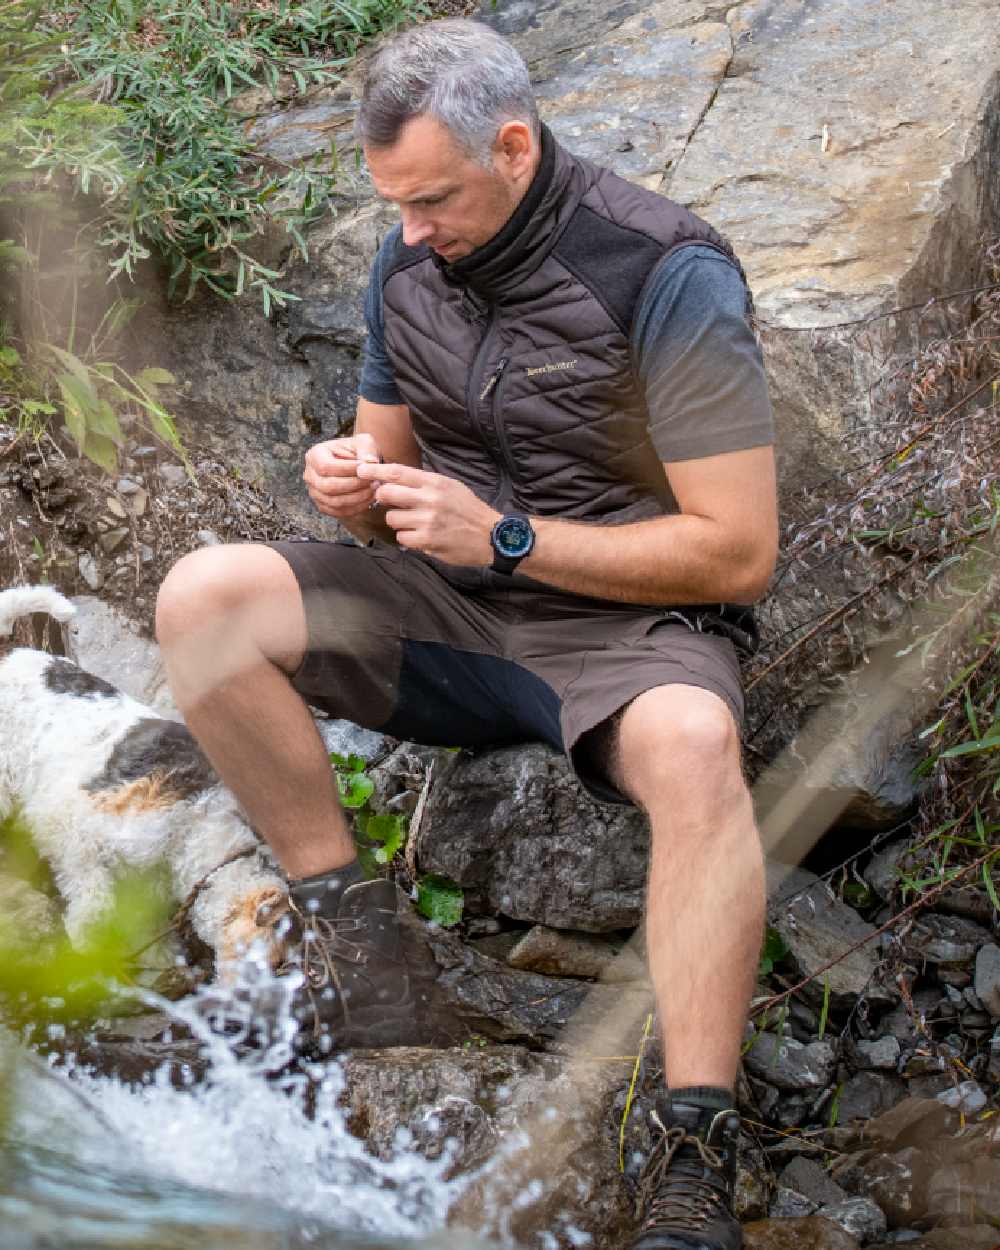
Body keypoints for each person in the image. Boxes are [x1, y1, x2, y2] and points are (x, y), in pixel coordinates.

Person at [155, 17, 778, 1250]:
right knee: (200, 598)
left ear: (513, 145)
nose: (411, 232)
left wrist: (505, 537)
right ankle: (364, 949)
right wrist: (348, 483)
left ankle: (697, 1140)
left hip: (628, 630)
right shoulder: (408, 264)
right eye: (394, 203)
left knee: (698, 745)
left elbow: (738, 549)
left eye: (432, 200)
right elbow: (383, 474)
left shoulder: (666, 270)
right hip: (449, 608)